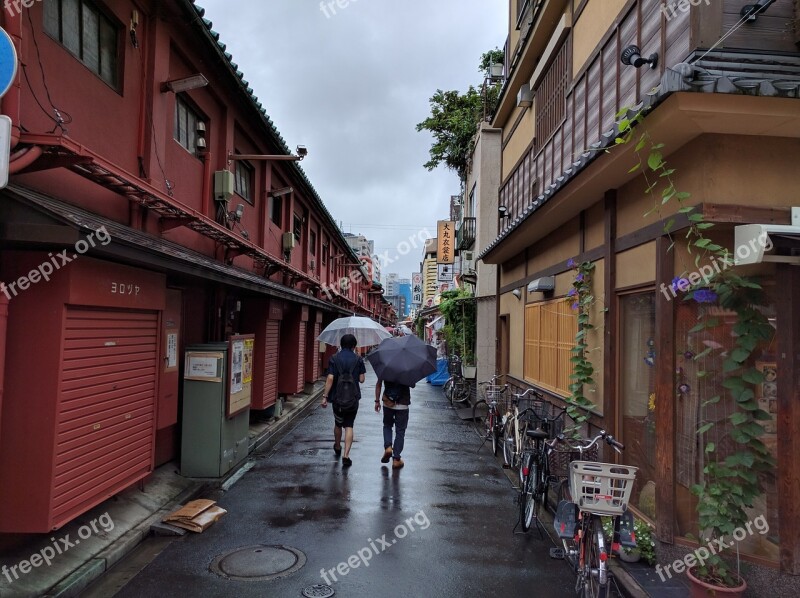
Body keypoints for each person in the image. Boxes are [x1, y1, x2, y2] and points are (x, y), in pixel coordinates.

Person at [321, 334, 366, 467]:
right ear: (354, 345)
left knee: (338, 423)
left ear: (341, 344)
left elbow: (330, 378)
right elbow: (362, 379)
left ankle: (337, 445)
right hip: (353, 398)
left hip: (337, 398)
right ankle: (346, 455)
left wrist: (325, 397)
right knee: (349, 425)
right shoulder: (358, 359)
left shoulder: (334, 358)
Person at [374, 378, 412, 469]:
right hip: (403, 403)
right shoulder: (408, 368)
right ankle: (396, 458)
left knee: (387, 426)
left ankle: (388, 447)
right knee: (400, 431)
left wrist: (377, 401)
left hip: (388, 402)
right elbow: (412, 384)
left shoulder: (386, 366)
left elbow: (378, 384)